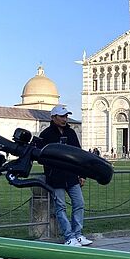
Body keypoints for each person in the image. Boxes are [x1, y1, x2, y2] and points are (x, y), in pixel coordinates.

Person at [38, 105, 91, 247]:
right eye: (62, 116)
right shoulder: (46, 134)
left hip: (72, 176)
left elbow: (78, 154)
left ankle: (78, 234)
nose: (65, 119)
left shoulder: (72, 133)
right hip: (55, 177)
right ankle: (69, 237)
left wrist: (82, 174)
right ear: (53, 118)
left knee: (79, 204)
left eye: (66, 116)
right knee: (60, 207)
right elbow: (41, 156)